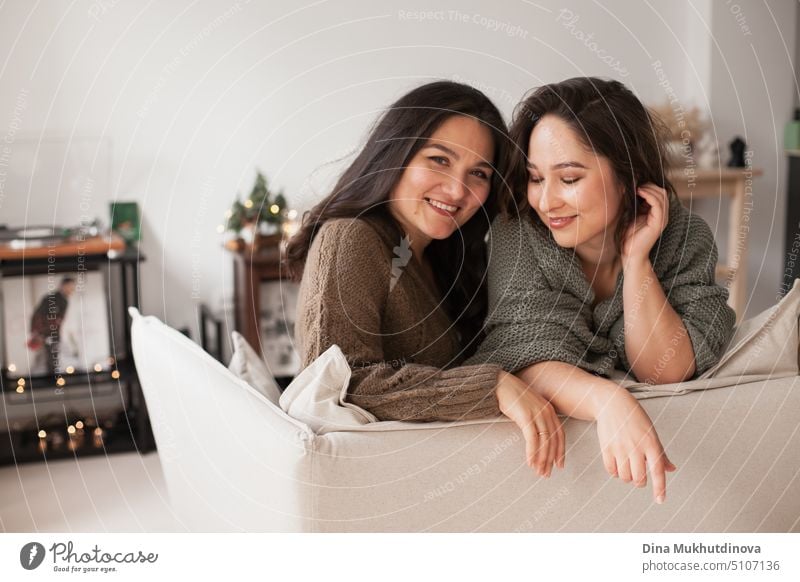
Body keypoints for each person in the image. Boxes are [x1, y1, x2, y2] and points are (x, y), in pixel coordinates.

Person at [467, 77, 736, 502]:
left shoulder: (684, 235)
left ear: (628, 177)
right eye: (536, 178)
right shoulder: (517, 232)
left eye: (569, 179)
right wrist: (609, 401)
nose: (546, 201)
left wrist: (636, 260)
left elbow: (665, 371)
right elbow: (522, 352)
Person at [287, 81, 565, 476]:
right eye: (439, 160)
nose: (457, 189)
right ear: (394, 154)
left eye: (479, 173)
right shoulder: (351, 237)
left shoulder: (447, 254)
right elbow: (335, 385)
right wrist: (492, 386)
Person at [28, 277, 77, 375]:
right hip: (46, 334)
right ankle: (51, 381)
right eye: (70, 287)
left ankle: (52, 378)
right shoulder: (51, 299)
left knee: (52, 359)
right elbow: (38, 316)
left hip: (53, 334)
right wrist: (39, 333)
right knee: (48, 359)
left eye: (73, 287)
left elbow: (59, 320)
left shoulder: (64, 300)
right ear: (63, 286)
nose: (72, 290)